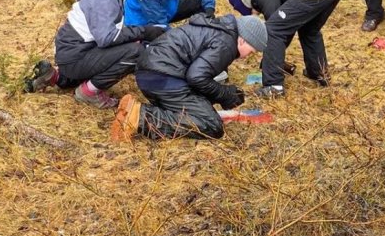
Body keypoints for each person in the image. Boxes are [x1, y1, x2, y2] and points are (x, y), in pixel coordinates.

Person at [24, 0, 162, 108]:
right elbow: (106, 38)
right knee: (136, 52)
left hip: (73, 53)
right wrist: (145, 31)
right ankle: (89, 93)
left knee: (131, 43)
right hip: (74, 58)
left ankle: (55, 77)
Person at [111, 13, 268, 141]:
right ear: (242, 40)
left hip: (151, 74)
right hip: (163, 77)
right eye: (252, 50)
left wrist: (222, 94)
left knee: (201, 107)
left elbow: (196, 77)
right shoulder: (226, 43)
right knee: (212, 125)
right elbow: (197, 77)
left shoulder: (217, 30)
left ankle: (139, 111)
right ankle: (140, 118)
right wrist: (224, 94)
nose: (249, 56)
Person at [225, 0, 343, 99]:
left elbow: (277, 31)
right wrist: (272, 59)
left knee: (273, 30)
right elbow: (286, 28)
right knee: (310, 30)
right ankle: (318, 73)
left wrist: (269, 62)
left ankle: (274, 86)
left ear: (245, 0)